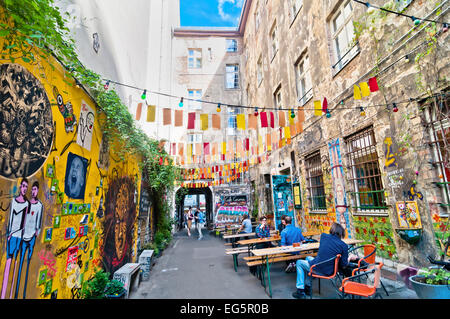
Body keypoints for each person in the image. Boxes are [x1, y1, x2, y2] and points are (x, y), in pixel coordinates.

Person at [292, 222, 358, 299]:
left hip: (318, 268)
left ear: (332, 230)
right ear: (341, 233)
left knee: (299, 262)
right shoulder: (343, 245)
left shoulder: (323, 236)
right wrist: (350, 257)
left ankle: (300, 291)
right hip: (329, 271)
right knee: (308, 258)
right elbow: (344, 265)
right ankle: (307, 287)